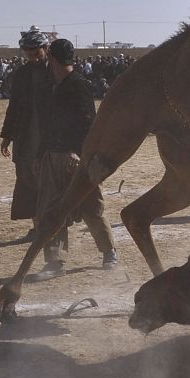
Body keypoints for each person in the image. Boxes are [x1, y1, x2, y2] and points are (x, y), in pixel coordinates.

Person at [28, 39, 119, 281]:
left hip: (78, 159)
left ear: (53, 60)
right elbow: (48, 125)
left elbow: (90, 125)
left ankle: (109, 251)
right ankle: (55, 261)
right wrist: (40, 154)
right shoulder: (53, 87)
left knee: (92, 207)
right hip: (53, 156)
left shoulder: (79, 85)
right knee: (49, 209)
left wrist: (79, 153)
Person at [0, 27, 52, 239]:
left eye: (36, 51)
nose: (32, 56)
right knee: (28, 180)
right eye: (28, 52)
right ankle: (38, 226)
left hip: (51, 137)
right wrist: (7, 135)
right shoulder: (22, 74)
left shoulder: (56, 71)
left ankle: (52, 225)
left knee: (51, 182)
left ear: (45, 48)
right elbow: (14, 106)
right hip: (26, 137)